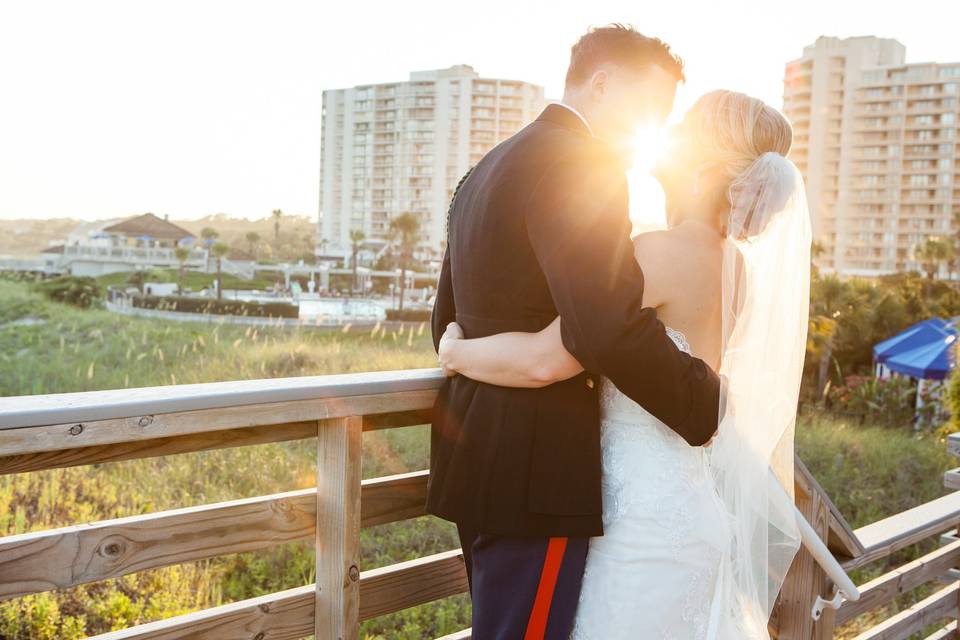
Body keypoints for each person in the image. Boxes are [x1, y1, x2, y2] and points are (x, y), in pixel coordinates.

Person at [439, 89, 812, 638]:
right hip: (691, 509)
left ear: (703, 164)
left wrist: (457, 352)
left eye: (683, 127)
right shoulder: (737, 268)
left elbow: (547, 358)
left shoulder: (654, 255)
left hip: (634, 520)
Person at [427, 24, 721, 639]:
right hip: (540, 471)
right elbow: (607, 325)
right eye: (651, 106)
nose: (657, 126)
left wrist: (459, 353)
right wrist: (702, 401)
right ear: (603, 82)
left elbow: (444, 320)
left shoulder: (484, 169)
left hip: (475, 458)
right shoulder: (583, 166)